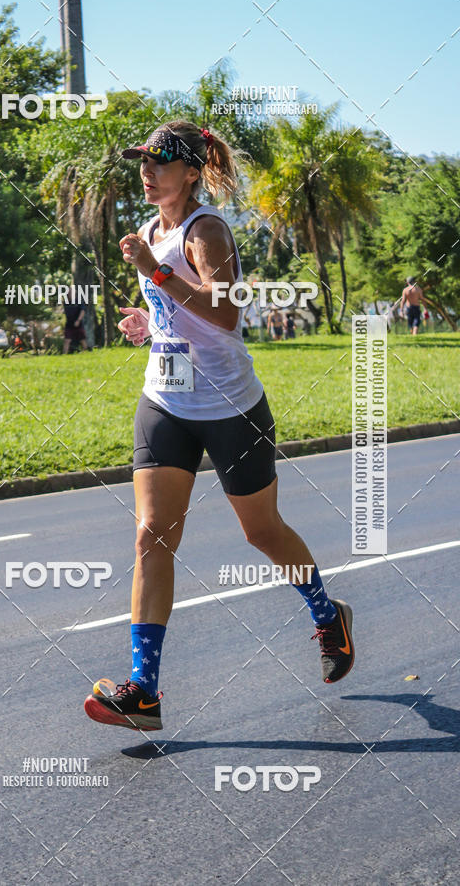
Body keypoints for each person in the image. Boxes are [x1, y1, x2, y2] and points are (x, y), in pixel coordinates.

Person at [83, 121, 355, 732]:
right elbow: (181, 317)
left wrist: (156, 273)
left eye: (159, 162)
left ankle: (326, 613)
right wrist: (148, 325)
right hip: (166, 402)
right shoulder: (153, 231)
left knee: (261, 532)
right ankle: (144, 692)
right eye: (142, 162)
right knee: (152, 534)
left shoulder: (206, 231)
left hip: (231, 409)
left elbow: (226, 314)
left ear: (190, 171)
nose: (147, 172)